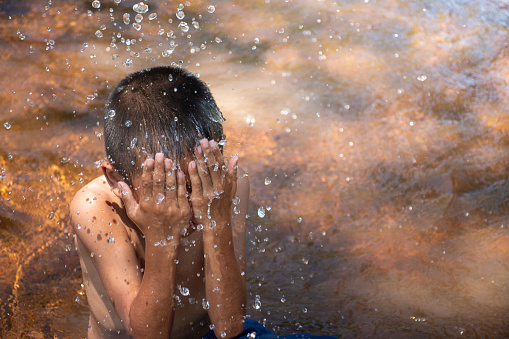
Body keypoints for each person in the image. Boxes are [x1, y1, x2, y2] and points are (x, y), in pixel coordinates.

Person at [70, 66, 338, 339]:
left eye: (198, 181)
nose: (185, 207)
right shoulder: (96, 208)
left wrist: (216, 220)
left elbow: (229, 326)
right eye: (164, 188)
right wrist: (162, 237)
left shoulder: (221, 189)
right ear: (117, 180)